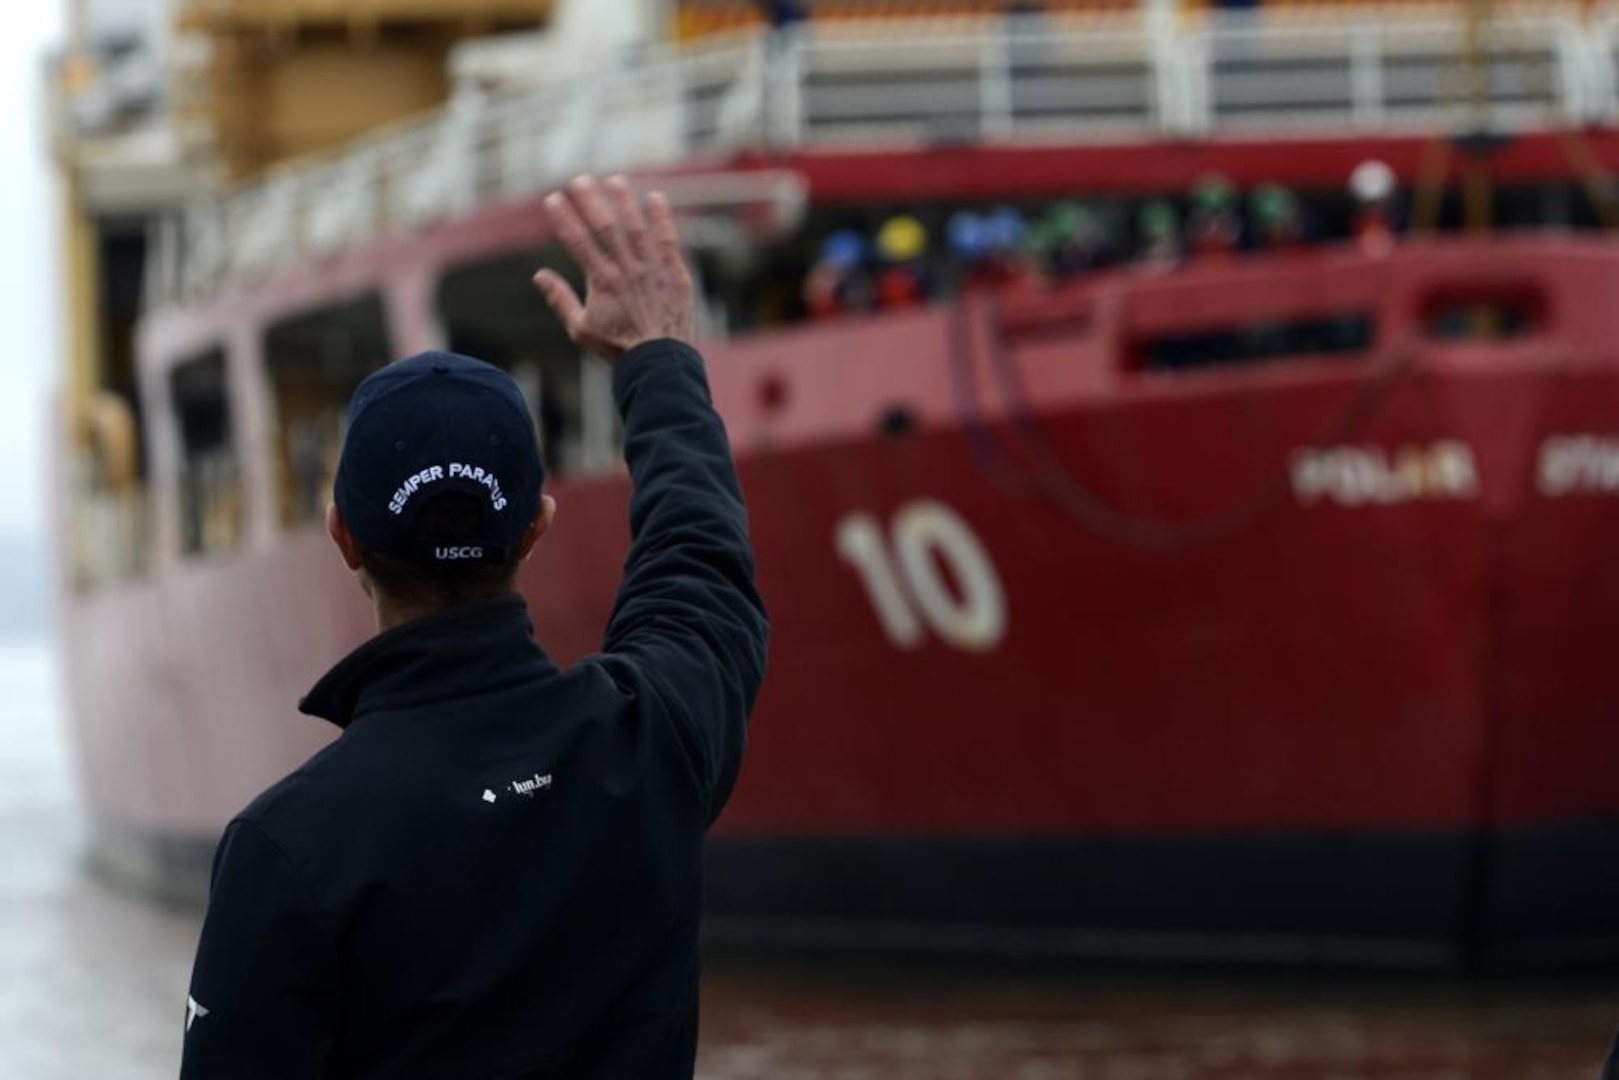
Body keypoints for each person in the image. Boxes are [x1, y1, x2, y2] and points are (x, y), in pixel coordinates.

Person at [178, 174, 770, 1079]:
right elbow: (700, 563)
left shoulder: (289, 846)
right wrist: (656, 356)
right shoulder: (653, 742)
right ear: (536, 522)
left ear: (341, 537)